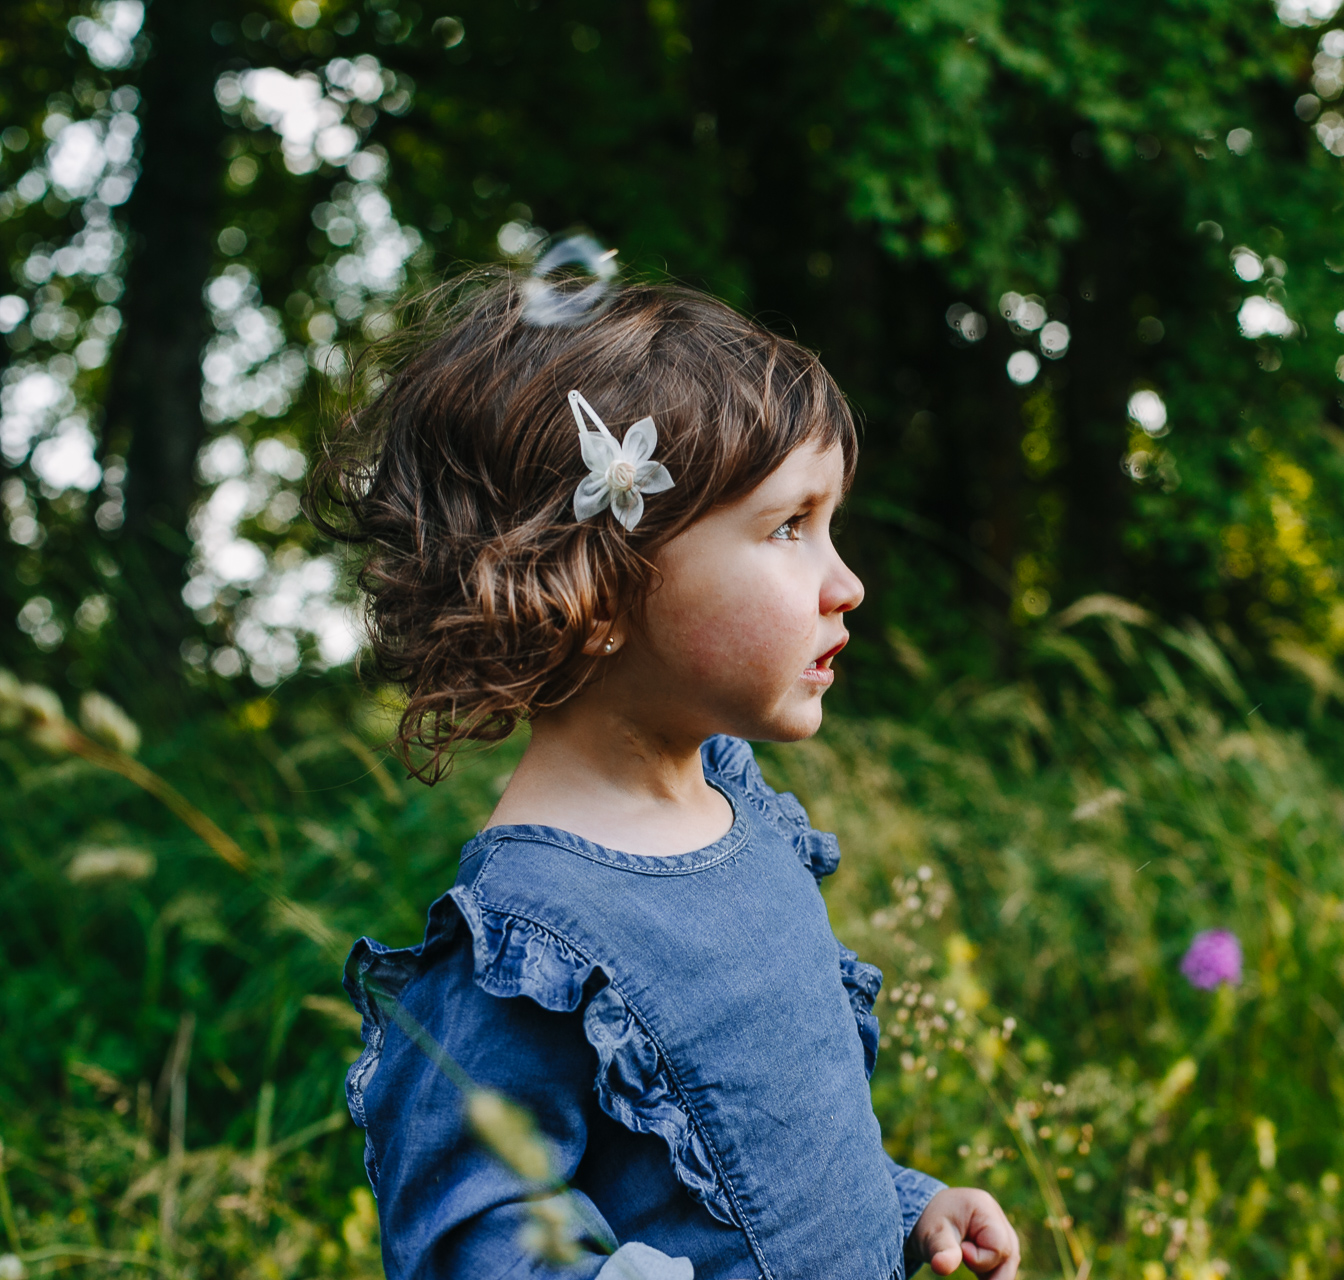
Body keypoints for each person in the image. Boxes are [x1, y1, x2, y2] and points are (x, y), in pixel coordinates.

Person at [311, 273, 1019, 1280]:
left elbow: (768, 1162)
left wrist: (912, 1207)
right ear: (598, 586)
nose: (846, 582)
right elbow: (469, 1245)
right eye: (789, 527)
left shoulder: (745, 810)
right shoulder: (521, 945)